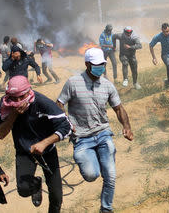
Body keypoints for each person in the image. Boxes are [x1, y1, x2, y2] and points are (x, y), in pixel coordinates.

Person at [57, 48, 133, 213]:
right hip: (82, 138)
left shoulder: (107, 85)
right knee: (92, 175)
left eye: (103, 65)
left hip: (103, 133)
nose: (101, 68)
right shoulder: (73, 83)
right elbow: (59, 103)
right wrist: (66, 123)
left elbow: (119, 108)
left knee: (110, 176)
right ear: (87, 64)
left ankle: (106, 209)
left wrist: (126, 127)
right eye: (97, 65)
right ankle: (93, 161)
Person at [0, 76, 71, 212]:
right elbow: (0, 134)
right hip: (24, 151)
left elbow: (66, 127)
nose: (18, 101)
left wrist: (44, 143)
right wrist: (13, 115)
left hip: (47, 150)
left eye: (21, 97)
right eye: (14, 98)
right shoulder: (6, 105)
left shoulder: (42, 102)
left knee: (56, 195)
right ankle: (36, 184)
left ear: (29, 91)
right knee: (23, 190)